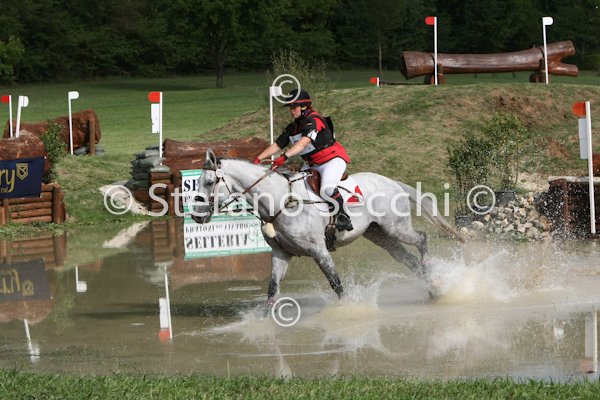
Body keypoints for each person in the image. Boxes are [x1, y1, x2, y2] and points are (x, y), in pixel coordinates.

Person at [253, 89, 353, 232]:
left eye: (294, 107)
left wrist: (284, 157)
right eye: (290, 108)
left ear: (304, 107)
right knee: (294, 187)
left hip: (332, 161)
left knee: (327, 189)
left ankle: (343, 217)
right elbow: (277, 145)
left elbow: (303, 143)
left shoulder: (315, 120)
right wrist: (258, 159)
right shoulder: (293, 127)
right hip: (312, 165)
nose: (291, 111)